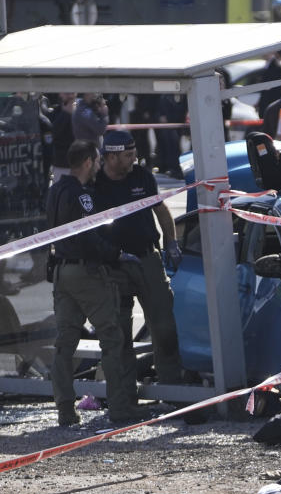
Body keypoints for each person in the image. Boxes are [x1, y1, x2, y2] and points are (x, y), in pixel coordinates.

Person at [46, 139, 146, 426]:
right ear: (88, 161)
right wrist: (116, 254)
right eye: (98, 160)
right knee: (112, 335)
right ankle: (120, 407)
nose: (99, 166)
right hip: (84, 272)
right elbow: (88, 237)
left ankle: (65, 409)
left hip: (61, 272)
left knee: (65, 342)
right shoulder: (81, 196)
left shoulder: (55, 191)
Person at [94, 130, 187, 384]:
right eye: (127, 155)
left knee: (165, 326)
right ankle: (125, 395)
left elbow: (161, 210)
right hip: (114, 266)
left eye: (134, 153)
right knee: (120, 333)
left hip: (147, 258)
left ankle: (171, 385)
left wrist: (171, 244)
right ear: (110, 157)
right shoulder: (95, 184)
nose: (133, 159)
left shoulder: (142, 177)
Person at [49, 92, 77, 183]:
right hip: (62, 163)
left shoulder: (82, 110)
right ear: (60, 94)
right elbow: (51, 134)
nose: (70, 95)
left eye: (72, 92)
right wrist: (66, 114)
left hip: (81, 162)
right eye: (66, 93)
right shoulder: (55, 112)